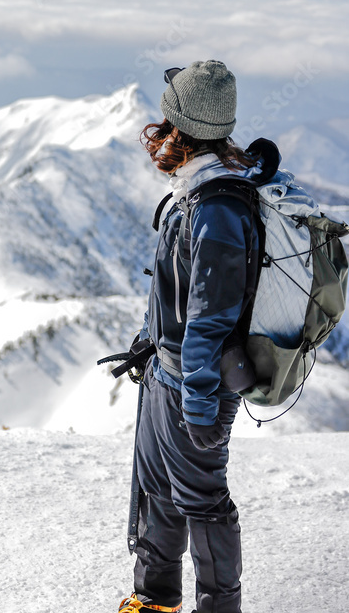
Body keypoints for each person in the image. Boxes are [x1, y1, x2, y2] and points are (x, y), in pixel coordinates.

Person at [118, 60, 278, 613]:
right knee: (159, 490)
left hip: (194, 380)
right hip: (167, 370)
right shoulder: (194, 192)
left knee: (202, 501)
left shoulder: (216, 210)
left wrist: (202, 404)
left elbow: (211, 318)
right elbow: (176, 293)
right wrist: (150, 342)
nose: (156, 131)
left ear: (182, 131)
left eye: (165, 121)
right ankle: (156, 600)